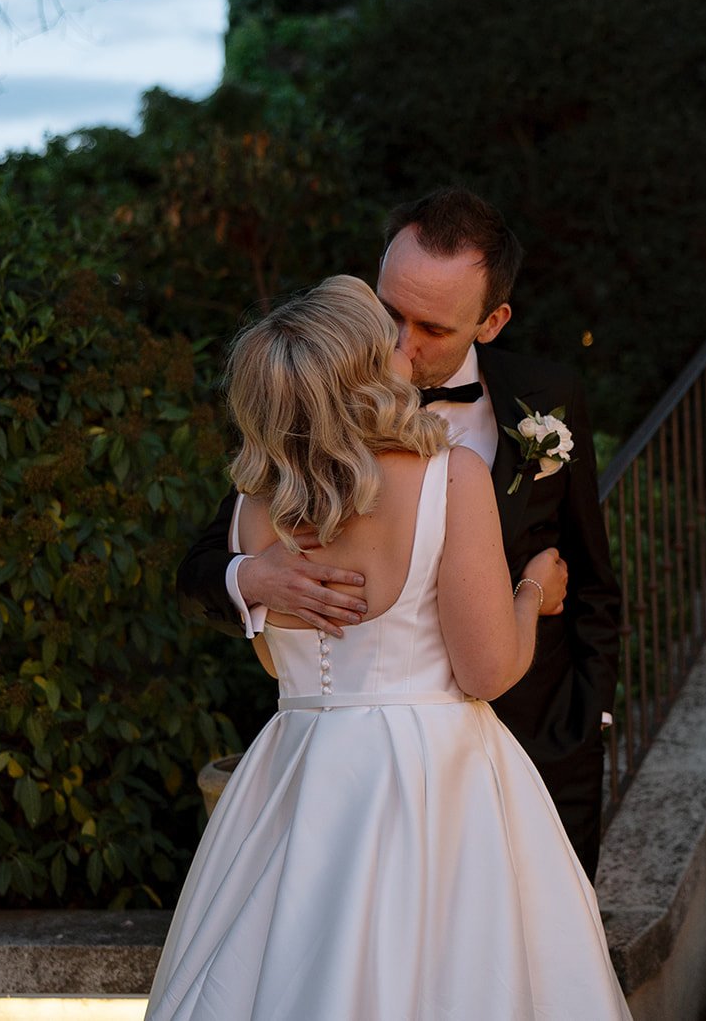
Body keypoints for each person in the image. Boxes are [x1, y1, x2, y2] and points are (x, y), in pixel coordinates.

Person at [147, 276, 631, 1019]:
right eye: (387, 337)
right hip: (434, 780)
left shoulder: (253, 508)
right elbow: (488, 670)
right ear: (363, 370)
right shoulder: (449, 476)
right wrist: (534, 592)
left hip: (296, 772)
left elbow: (280, 663)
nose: (405, 345)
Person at [176, 188, 620, 879]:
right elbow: (202, 566)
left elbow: (594, 575)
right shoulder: (302, 461)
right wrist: (250, 579)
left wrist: (586, 721)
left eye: (434, 328)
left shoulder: (548, 395)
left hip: (529, 751)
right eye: (389, 316)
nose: (405, 344)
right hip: (408, 777)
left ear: (492, 320)